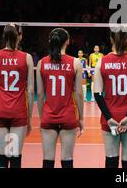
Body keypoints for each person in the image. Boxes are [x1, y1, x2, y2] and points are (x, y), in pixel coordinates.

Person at [93, 28, 127, 168]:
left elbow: (97, 94)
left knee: (111, 159)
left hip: (109, 117)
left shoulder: (101, 62)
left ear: (111, 39)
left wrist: (109, 118)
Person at [0, 24, 35, 168]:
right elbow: (31, 91)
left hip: (0, 111)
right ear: (20, 36)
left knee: (2, 157)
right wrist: (30, 119)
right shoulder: (27, 58)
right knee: (14, 155)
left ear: (4, 36)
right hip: (18, 112)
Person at [36, 28, 84, 168]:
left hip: (48, 116)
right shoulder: (75, 63)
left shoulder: (41, 63)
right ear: (67, 41)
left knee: (47, 160)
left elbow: (40, 94)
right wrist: (80, 119)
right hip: (68, 116)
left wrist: (41, 118)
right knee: (67, 160)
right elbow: (79, 94)